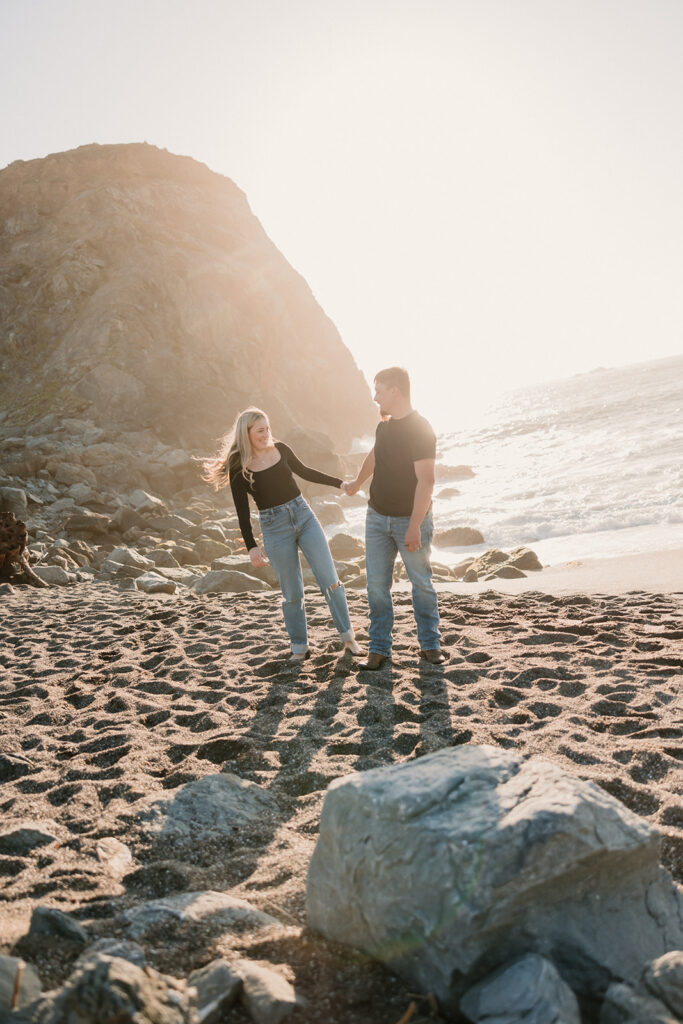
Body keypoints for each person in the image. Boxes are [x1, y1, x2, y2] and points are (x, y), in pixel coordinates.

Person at [203, 408, 361, 662]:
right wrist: (251, 547)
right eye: (260, 431)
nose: (266, 434)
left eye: (267, 428)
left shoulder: (281, 449)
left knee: (330, 581)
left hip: (304, 516)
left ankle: (349, 638)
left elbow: (306, 471)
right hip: (274, 526)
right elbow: (242, 512)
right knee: (292, 592)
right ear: (246, 434)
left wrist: (340, 484)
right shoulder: (238, 465)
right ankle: (299, 647)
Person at [345, 367, 444, 669]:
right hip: (376, 517)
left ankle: (430, 645)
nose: (375, 397)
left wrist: (414, 527)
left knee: (421, 584)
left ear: (395, 391)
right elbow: (375, 456)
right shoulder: (384, 426)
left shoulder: (421, 429)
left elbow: (426, 481)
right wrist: (357, 483)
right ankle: (379, 650)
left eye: (379, 390)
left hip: (409, 520)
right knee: (376, 586)